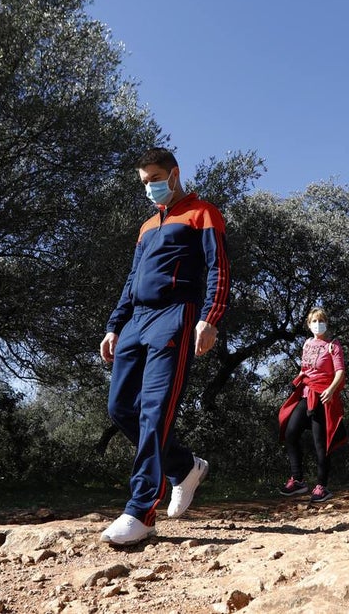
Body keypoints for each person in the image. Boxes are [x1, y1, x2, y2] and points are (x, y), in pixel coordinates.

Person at [98, 148, 230, 546]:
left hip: (176, 315)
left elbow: (219, 268)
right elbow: (131, 277)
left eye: (154, 177)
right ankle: (184, 467)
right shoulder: (146, 227)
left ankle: (140, 511)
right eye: (143, 181)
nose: (149, 186)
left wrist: (211, 317)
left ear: (174, 174)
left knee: (155, 411)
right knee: (120, 408)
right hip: (136, 320)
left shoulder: (202, 212)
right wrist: (113, 325)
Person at [277, 306, 348, 503]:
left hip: (322, 396)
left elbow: (340, 372)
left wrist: (331, 389)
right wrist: (299, 378)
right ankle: (298, 479)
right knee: (290, 433)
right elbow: (305, 368)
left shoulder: (333, 345)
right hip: (306, 393)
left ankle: (322, 486)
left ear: (327, 323)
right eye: (314, 321)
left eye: (321, 320)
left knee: (320, 444)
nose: (318, 324)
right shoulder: (307, 343)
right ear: (309, 325)